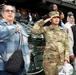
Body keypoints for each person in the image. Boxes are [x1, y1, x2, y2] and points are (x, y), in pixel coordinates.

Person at [31, 11, 70, 75]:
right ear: (50, 20)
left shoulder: (63, 31)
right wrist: (43, 21)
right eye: (54, 17)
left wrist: (66, 60)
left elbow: (67, 46)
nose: (57, 19)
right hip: (49, 62)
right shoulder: (46, 29)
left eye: (58, 17)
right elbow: (34, 30)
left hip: (61, 61)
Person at [0, 5, 30, 75]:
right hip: (4, 67)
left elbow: (26, 44)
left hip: (20, 66)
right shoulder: (1, 25)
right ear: (2, 13)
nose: (10, 12)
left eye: (12, 11)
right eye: (7, 11)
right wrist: (13, 28)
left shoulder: (21, 27)